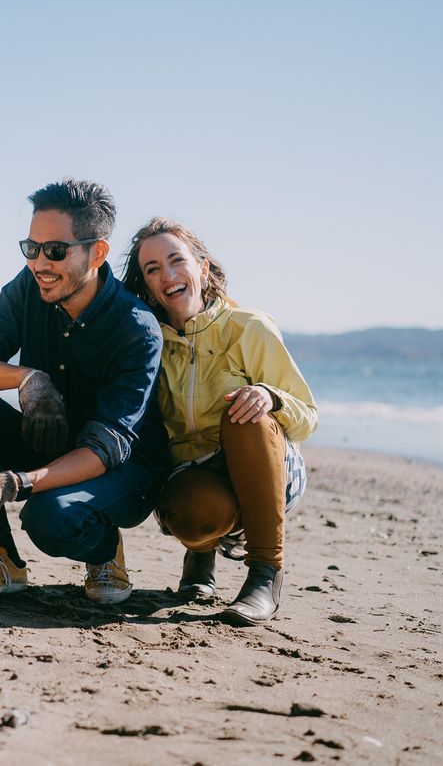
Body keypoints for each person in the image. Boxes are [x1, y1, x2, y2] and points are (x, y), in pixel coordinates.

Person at [0, 179, 167, 603]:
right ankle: (1, 556)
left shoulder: (137, 328)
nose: (40, 262)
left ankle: (105, 548)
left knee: (49, 521)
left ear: (97, 253)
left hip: (121, 468)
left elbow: (106, 446)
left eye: (55, 250)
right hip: (49, 441)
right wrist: (28, 378)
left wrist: (16, 482)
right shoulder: (28, 287)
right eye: (31, 248)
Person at [121, 217, 317, 625]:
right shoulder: (146, 341)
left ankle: (266, 573)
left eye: (177, 261)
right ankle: (201, 552)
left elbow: (306, 417)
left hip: (269, 468)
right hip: (195, 477)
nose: (168, 275)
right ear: (145, 285)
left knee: (247, 411)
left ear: (202, 269)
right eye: (152, 269)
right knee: (194, 512)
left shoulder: (249, 328)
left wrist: (271, 396)